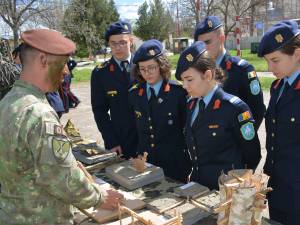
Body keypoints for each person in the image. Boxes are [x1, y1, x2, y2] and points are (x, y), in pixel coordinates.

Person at [0, 29, 123, 224]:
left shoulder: (8, 102)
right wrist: (101, 197)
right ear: (43, 60)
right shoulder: (39, 114)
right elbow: (62, 178)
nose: (66, 71)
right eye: (63, 63)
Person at [175, 41, 261, 190]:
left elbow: (252, 154)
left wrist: (238, 185)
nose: (184, 86)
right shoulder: (192, 104)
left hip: (227, 190)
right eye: (183, 80)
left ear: (208, 75)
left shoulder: (234, 107)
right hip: (199, 186)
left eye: (189, 80)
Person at [128, 39, 191, 182]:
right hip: (147, 162)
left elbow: (187, 130)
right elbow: (134, 129)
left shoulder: (178, 93)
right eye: (142, 69)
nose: (147, 73)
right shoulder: (134, 94)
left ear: (161, 65)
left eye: (152, 67)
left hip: (174, 164)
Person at [258, 20, 300, 225]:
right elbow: (274, 142)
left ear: (297, 54)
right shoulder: (278, 87)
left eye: (275, 60)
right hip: (278, 188)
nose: (270, 67)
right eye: (267, 61)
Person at [194, 16, 266, 129]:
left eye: (207, 42)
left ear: (222, 38)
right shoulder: (196, 72)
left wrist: (242, 141)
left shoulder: (242, 70)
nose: (203, 48)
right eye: (199, 44)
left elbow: (257, 111)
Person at [91, 21, 138, 158]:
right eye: (113, 43)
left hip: (148, 138)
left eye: (122, 42)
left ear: (131, 41)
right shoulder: (101, 73)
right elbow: (100, 111)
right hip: (120, 140)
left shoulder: (143, 66)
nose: (118, 47)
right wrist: (111, 141)